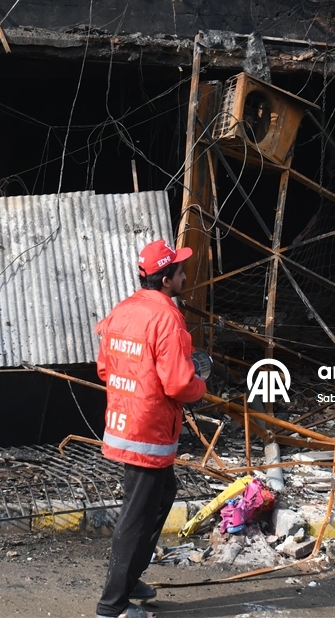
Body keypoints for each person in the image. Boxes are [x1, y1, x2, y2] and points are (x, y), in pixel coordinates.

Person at [94, 239, 207, 618]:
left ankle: (130, 579)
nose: (185, 275)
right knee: (138, 513)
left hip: (126, 422)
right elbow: (178, 384)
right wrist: (200, 385)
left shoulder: (124, 310)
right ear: (165, 279)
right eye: (179, 270)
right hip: (150, 431)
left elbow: (105, 368)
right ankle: (113, 605)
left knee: (161, 497)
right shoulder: (166, 317)